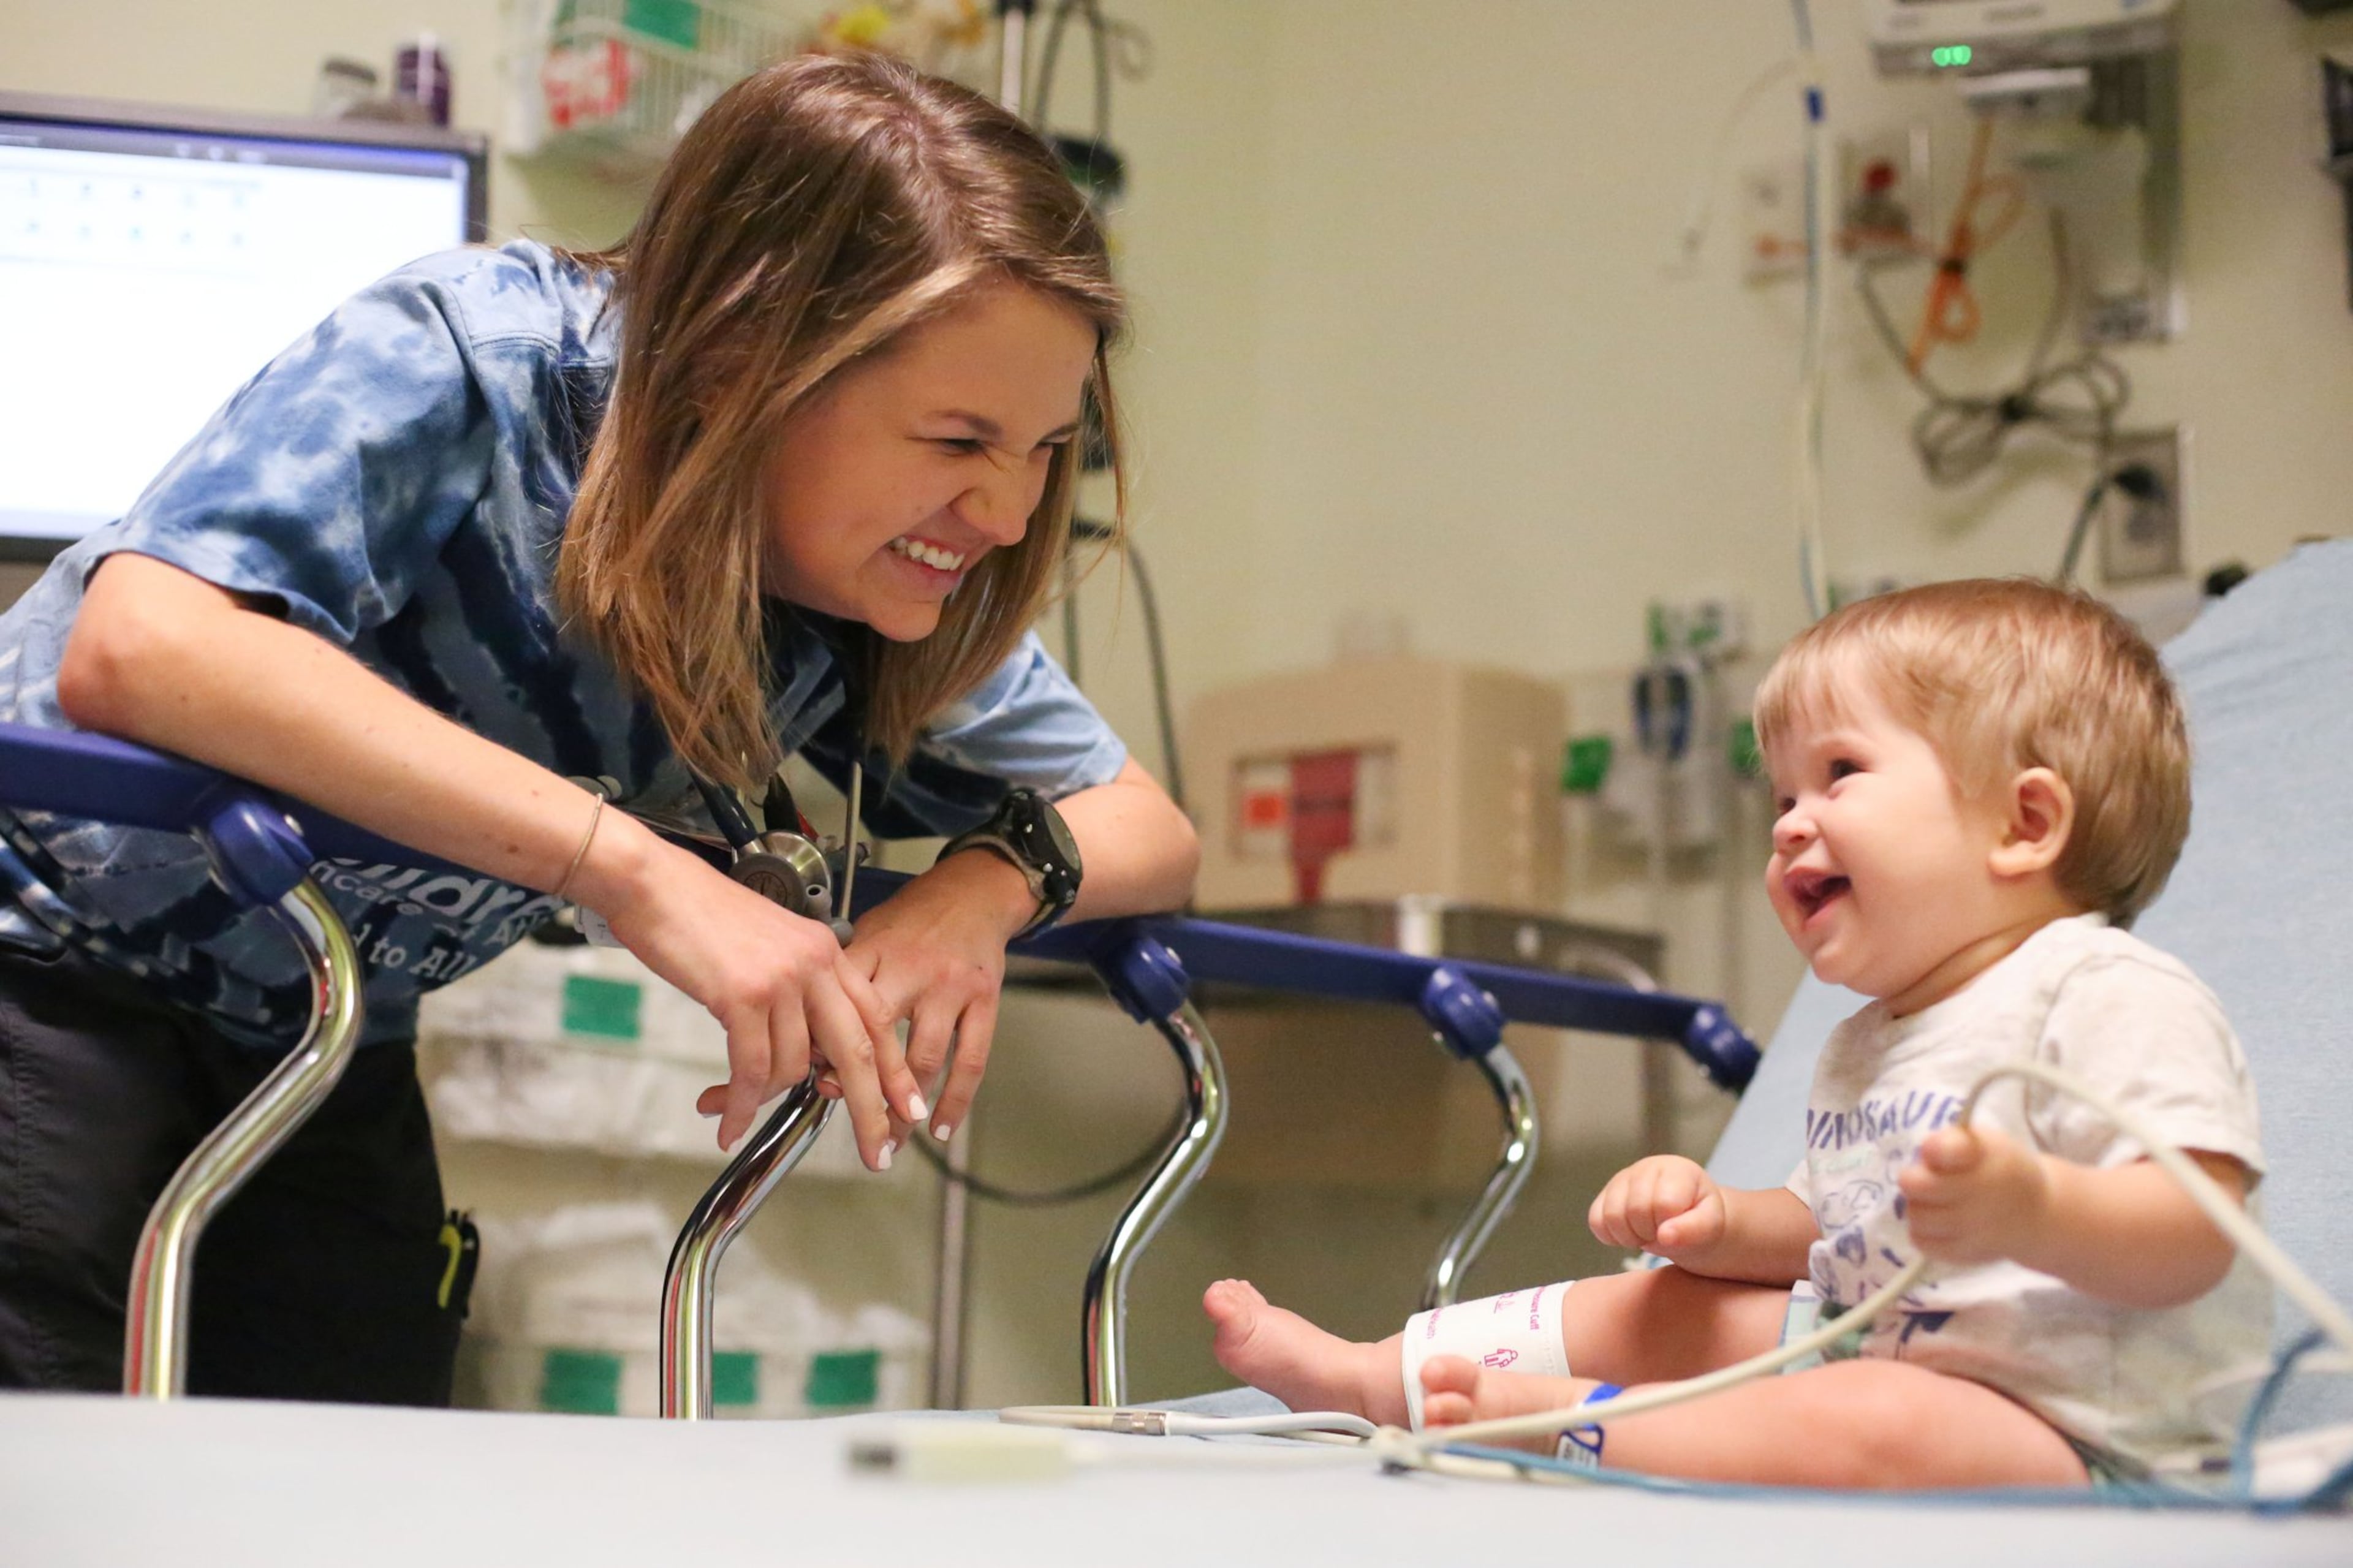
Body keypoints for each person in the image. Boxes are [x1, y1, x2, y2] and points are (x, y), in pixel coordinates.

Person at [0, 53, 1196, 1405]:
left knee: (349, 1471)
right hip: (43, 951)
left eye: (1045, 448)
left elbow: (1148, 823)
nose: (1002, 514)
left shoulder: (859, 571)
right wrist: (631, 866)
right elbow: (147, 645)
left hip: (325, 1030)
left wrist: (977, 894)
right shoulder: (475, 364)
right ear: (747, 357)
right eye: (958, 439)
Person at [1205, 578, 2266, 1490]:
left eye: (1841, 774)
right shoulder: (1872, 1039)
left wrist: (2037, 1208)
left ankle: (1545, 1418)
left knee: (1889, 1420)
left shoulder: (2104, 992)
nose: (1790, 821)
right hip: (1874, 1357)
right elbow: (1832, 1232)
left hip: (2087, 1442)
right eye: (1783, 792)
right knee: (1680, 1306)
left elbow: (2199, 1235)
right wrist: (1721, 1224)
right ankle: (1371, 1374)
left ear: (2025, 825)